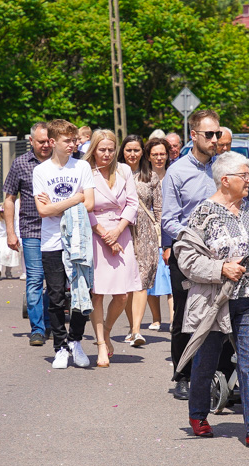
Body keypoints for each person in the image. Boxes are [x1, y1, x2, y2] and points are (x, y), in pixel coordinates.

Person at [173, 151, 249, 449]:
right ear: (225, 179)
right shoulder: (203, 213)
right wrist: (221, 268)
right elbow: (186, 257)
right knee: (205, 362)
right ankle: (198, 414)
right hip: (215, 302)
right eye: (244, 175)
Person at [161, 109, 221, 399]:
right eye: (208, 134)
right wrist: (193, 242)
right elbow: (169, 220)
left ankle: (217, 375)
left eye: (217, 134)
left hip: (222, 256)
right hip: (188, 256)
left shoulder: (223, 169)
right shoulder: (177, 172)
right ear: (193, 135)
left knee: (221, 314)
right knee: (185, 315)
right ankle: (182, 375)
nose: (214, 139)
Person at [33, 119, 94, 369]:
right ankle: (60, 346)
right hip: (51, 242)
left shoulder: (82, 167)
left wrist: (57, 206)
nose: (73, 144)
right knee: (56, 295)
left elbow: (89, 203)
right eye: (67, 141)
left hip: (79, 240)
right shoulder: (41, 171)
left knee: (81, 293)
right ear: (53, 142)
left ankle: (76, 341)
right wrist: (75, 198)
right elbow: (42, 211)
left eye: (74, 140)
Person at [84, 129, 142, 367]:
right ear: (94, 150)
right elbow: (84, 207)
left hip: (121, 232)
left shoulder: (124, 170)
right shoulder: (85, 171)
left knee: (122, 294)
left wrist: (118, 231)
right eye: (102, 150)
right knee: (97, 293)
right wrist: (104, 234)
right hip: (96, 232)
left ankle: (107, 330)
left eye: (110, 149)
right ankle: (99, 344)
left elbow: (132, 203)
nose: (106, 154)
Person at [3, 122, 54, 346]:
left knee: (55, 281)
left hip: (57, 231)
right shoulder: (21, 163)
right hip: (32, 229)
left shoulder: (60, 163)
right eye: (41, 141)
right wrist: (10, 233)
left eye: (48, 141)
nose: (45, 145)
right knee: (35, 279)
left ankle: (52, 322)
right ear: (31, 141)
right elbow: (9, 198)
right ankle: (37, 329)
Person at [124, 137, 170, 343]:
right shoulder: (115, 174)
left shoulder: (150, 177)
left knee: (142, 281)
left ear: (142, 153)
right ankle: (130, 326)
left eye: (136, 150)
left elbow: (159, 209)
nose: (132, 154)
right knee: (125, 284)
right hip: (122, 232)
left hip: (146, 234)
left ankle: (135, 330)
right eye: (128, 150)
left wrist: (162, 238)